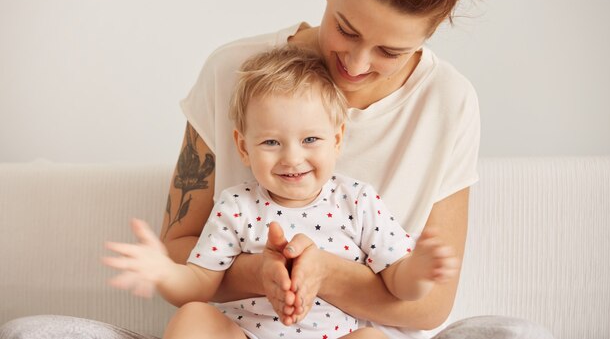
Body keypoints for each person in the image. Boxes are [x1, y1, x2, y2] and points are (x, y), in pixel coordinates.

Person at [0, 0, 554, 338]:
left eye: (391, 51)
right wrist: (264, 275)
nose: (357, 66)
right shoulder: (233, 75)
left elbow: (428, 306)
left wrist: (327, 273)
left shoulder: (448, 106)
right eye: (346, 28)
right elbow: (182, 257)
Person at [102, 47, 459, 339]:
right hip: (248, 335)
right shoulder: (237, 206)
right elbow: (197, 285)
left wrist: (419, 272)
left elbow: (399, 284)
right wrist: (165, 272)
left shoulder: (357, 202)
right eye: (271, 142)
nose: (292, 158)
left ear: (336, 139)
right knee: (194, 318)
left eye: (310, 140)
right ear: (243, 148)